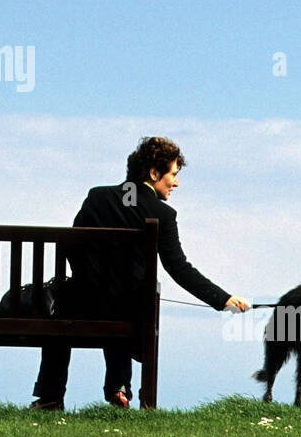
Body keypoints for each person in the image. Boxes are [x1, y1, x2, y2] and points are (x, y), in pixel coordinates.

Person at [31, 136, 249, 410]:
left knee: (66, 306)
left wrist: (92, 277)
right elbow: (179, 268)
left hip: (81, 306)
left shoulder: (98, 197)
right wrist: (222, 298)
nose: (177, 183)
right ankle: (119, 389)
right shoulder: (163, 214)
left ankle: (50, 397)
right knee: (127, 300)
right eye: (173, 174)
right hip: (127, 312)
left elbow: (70, 247)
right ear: (154, 173)